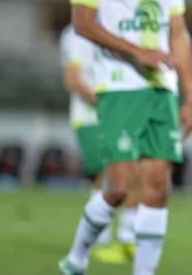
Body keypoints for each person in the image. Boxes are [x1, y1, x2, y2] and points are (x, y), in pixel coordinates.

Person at [58, 0, 192, 275]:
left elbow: (178, 33)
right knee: (118, 187)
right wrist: (137, 52)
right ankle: (76, 257)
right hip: (119, 85)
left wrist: (191, 94)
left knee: (157, 187)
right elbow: (82, 23)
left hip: (162, 91)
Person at [60, 24, 141, 264]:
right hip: (91, 117)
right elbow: (73, 78)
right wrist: (106, 104)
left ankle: (127, 238)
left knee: (133, 171)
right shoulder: (76, 32)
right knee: (108, 173)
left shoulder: (119, 25)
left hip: (120, 113)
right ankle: (99, 239)